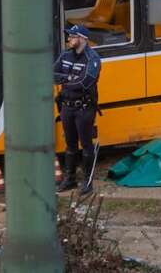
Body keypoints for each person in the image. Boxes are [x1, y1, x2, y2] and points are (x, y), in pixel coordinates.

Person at [54, 25, 102, 195]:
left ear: (82, 38)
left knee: (86, 145)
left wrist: (64, 80)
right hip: (67, 107)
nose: (69, 39)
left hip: (84, 108)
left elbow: (84, 83)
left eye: (72, 36)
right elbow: (52, 74)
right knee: (70, 145)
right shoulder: (65, 54)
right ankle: (70, 179)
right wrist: (68, 77)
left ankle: (87, 181)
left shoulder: (93, 59)